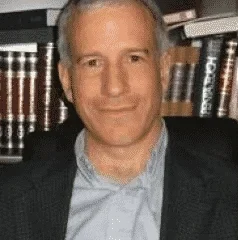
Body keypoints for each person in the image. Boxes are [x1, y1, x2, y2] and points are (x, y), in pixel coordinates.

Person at [0, 0, 238, 239]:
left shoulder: (230, 198)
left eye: (133, 58)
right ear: (66, 81)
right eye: (93, 62)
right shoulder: (8, 204)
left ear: (164, 70)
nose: (114, 87)